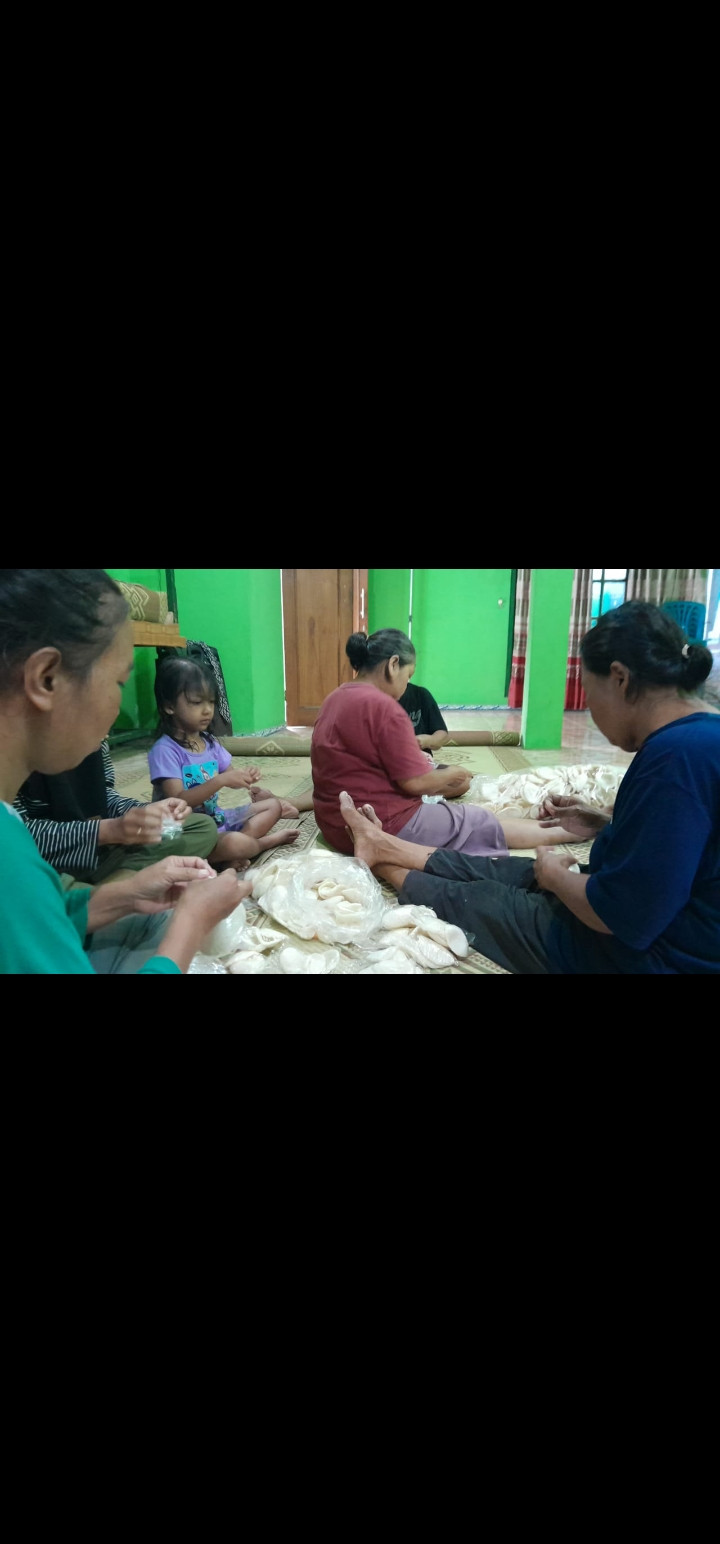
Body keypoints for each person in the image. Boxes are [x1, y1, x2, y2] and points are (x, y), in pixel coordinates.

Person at [336, 602, 720, 974]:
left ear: (620, 678)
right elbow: (684, 846)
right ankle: (383, 844)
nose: (590, 711)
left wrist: (555, 878)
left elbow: (622, 918)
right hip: (646, 911)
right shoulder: (698, 739)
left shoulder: (677, 759)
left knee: (481, 897)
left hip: (645, 953)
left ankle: (381, 857)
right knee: (498, 868)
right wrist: (606, 823)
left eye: (588, 691)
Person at [0, 569, 249, 974]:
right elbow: (29, 862)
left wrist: (132, 870)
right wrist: (190, 924)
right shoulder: (10, 864)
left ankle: (118, 884)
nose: (119, 709)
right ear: (46, 679)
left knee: (195, 828)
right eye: (118, 682)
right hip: (84, 852)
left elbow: (107, 796)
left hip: (103, 852)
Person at [311, 628, 579, 858]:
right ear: (393, 664)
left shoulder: (336, 696)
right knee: (476, 820)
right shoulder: (384, 707)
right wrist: (456, 773)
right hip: (375, 825)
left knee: (450, 808)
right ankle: (568, 831)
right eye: (408, 675)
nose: (407, 684)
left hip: (333, 824)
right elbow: (415, 783)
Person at [149, 657, 300, 870]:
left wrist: (246, 777)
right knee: (233, 842)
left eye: (211, 702)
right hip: (186, 832)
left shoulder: (209, 742)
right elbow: (179, 799)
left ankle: (232, 852)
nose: (207, 710)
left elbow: (232, 778)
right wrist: (220, 780)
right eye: (196, 702)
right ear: (169, 706)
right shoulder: (164, 751)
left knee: (272, 805)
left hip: (216, 820)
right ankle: (260, 844)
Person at [13, 738, 219, 884]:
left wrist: (145, 813)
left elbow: (104, 796)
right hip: (44, 867)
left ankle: (112, 884)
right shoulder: (15, 752)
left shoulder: (95, 739)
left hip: (99, 849)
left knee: (200, 826)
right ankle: (104, 894)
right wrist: (107, 831)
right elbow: (15, 839)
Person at [397, 679, 450, 753]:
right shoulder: (378, 700)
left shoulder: (420, 694)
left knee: (454, 765)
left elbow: (442, 733)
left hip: (420, 759)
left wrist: (429, 740)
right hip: (388, 760)